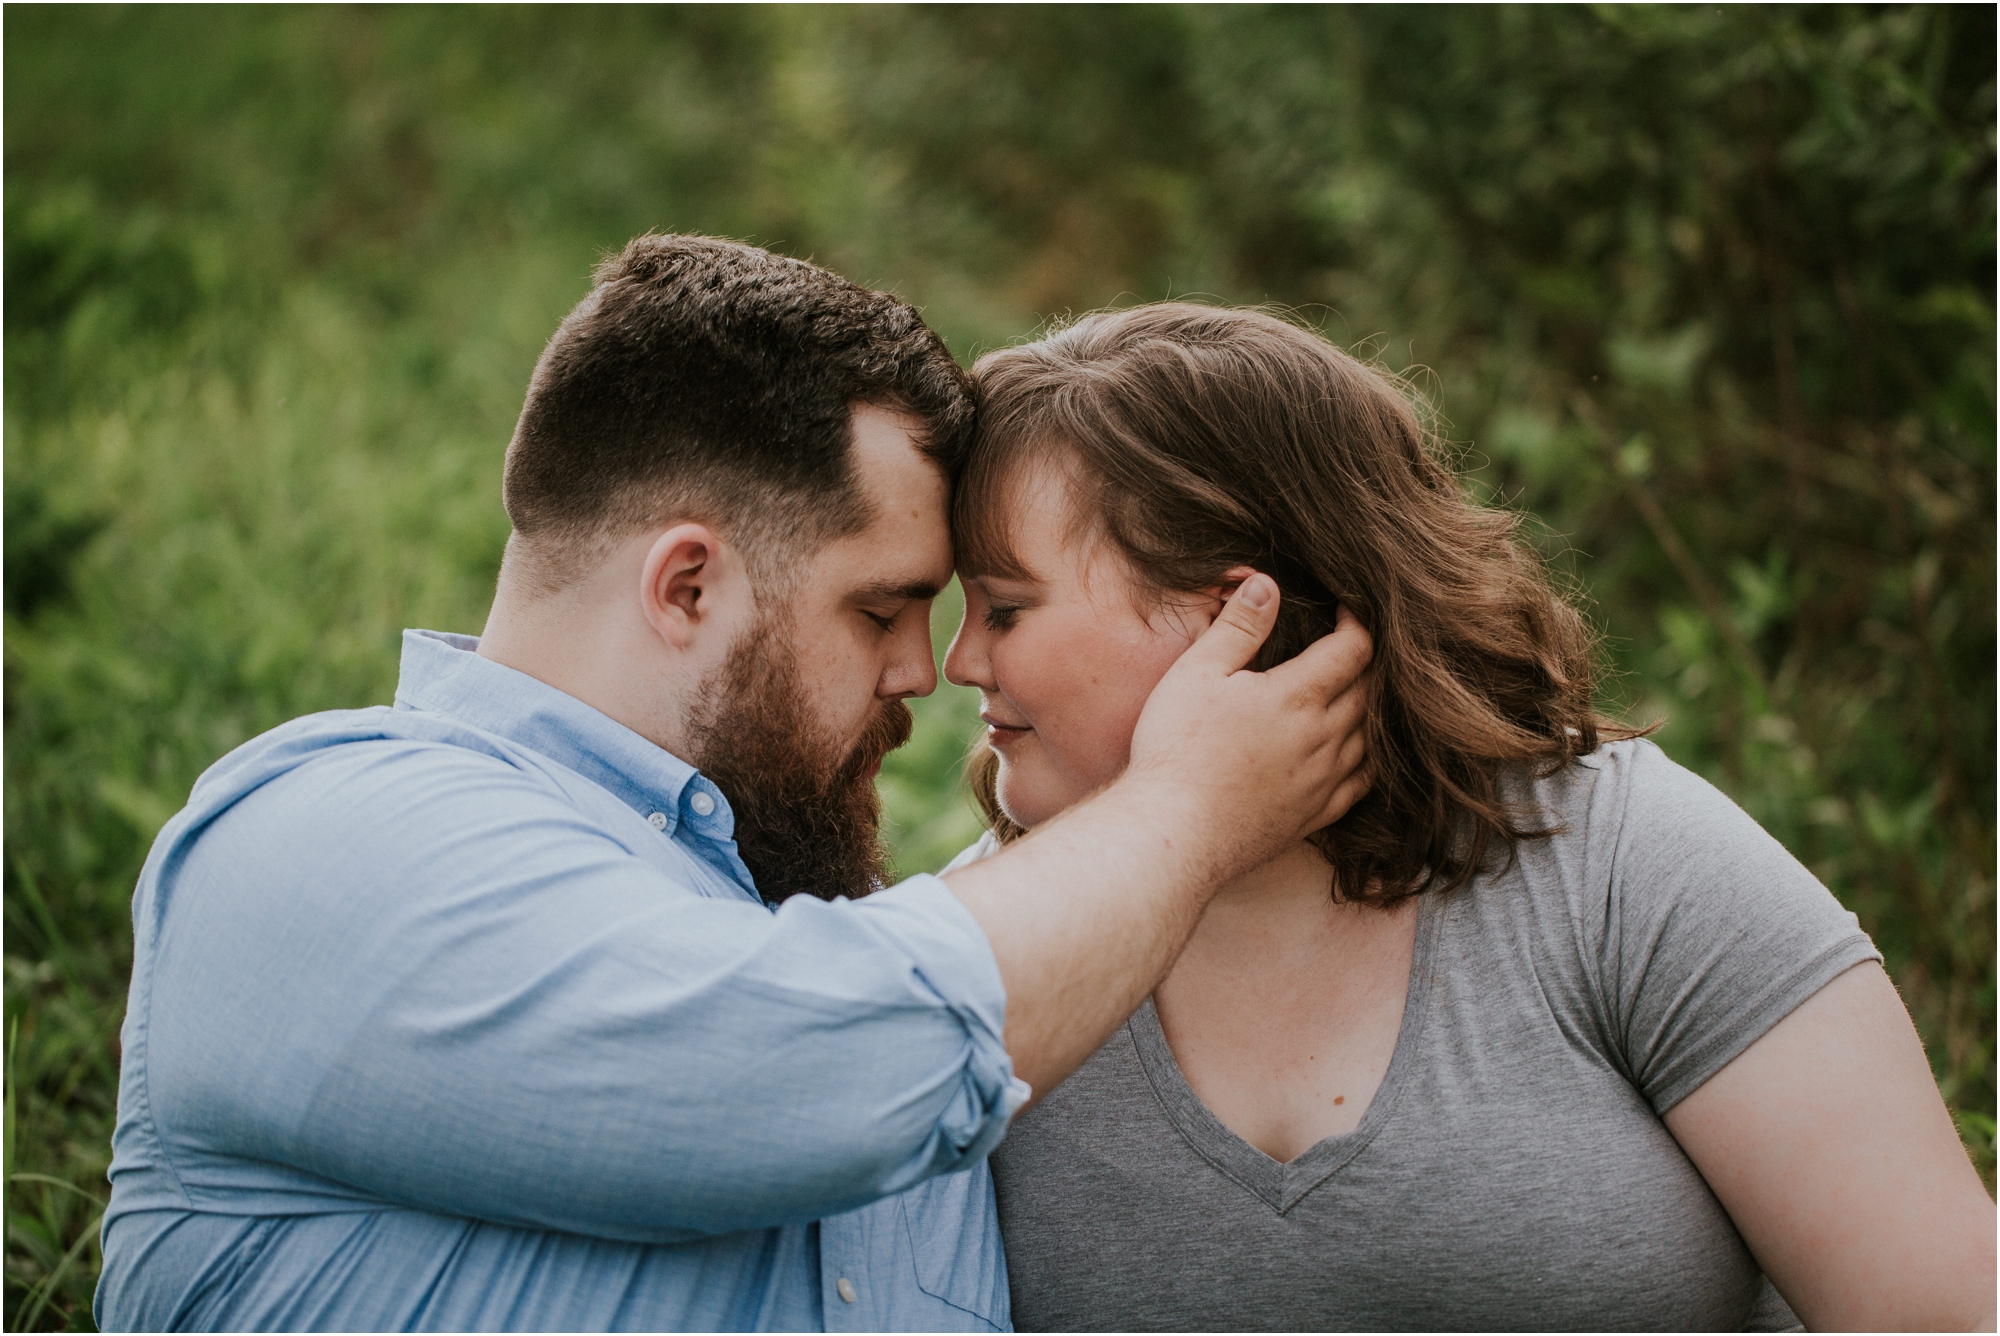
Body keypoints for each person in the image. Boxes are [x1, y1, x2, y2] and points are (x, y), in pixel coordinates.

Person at [94, 242, 1375, 1332]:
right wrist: (1192, 807)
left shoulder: (816, 938)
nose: (921, 676)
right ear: (687, 585)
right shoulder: (322, 833)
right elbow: (797, 1070)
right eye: (879, 610)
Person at [942, 302, 1997, 1333]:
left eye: (1004, 607)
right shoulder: (974, 958)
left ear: (1232, 612)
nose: (960, 662)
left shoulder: (1617, 863)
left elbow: (1938, 1314)